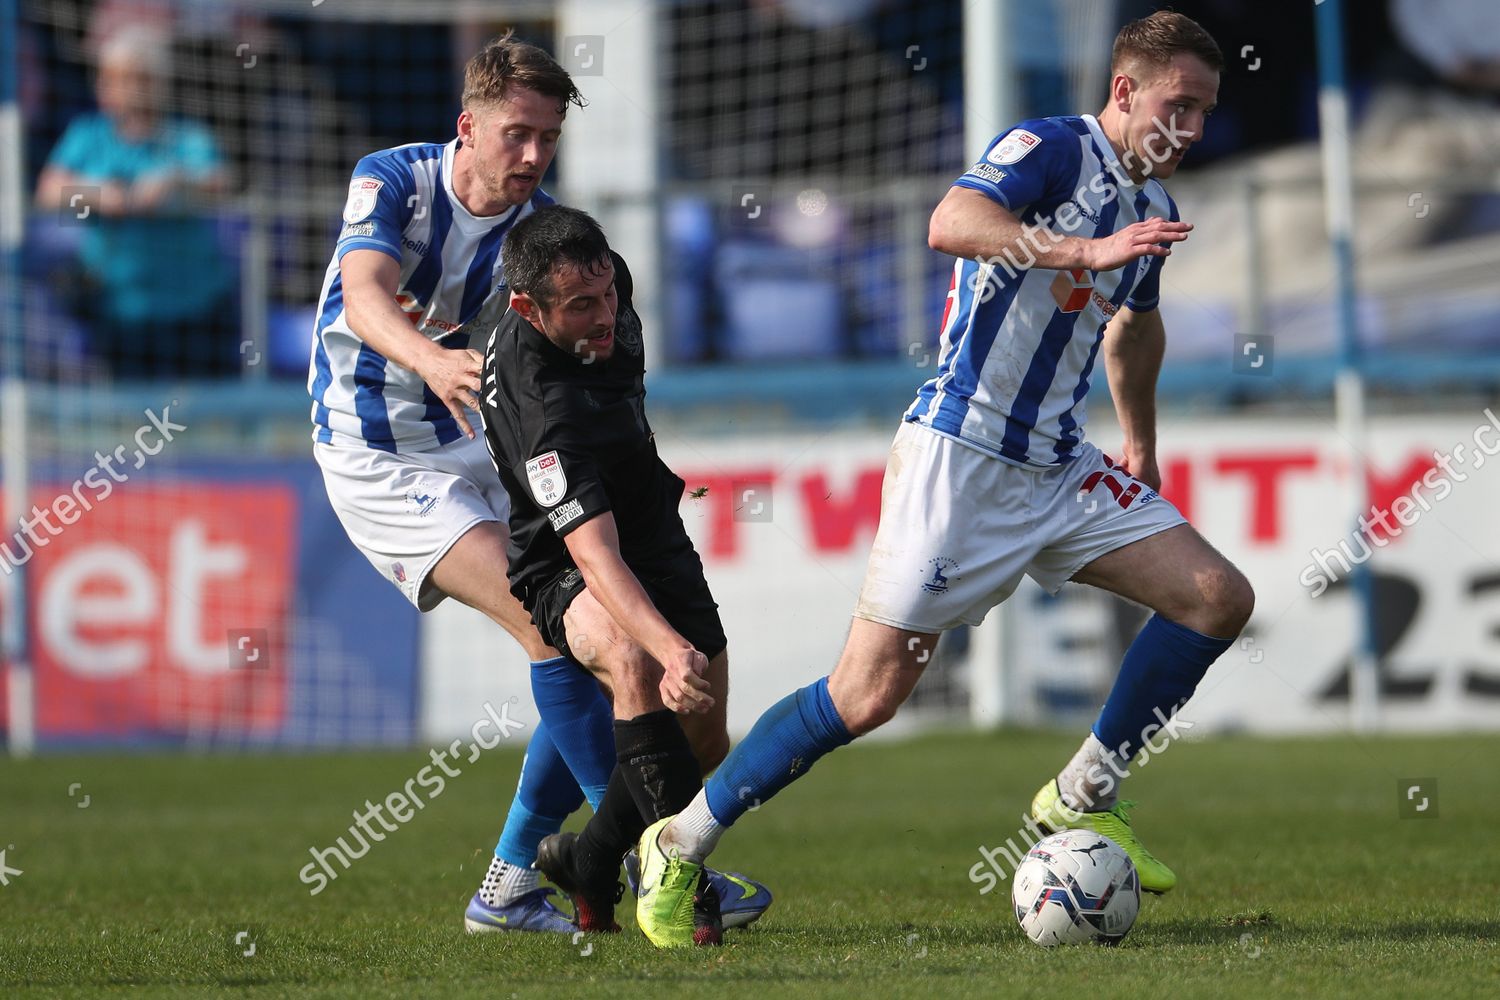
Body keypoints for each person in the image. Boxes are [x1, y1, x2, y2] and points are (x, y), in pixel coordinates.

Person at [634, 10, 1254, 938]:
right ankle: (677, 845)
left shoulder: (1144, 206)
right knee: (865, 697)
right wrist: (1083, 250)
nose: (1193, 130)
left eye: (1206, 111)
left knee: (1216, 595)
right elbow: (952, 221)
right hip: (960, 457)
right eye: (1180, 105)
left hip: (1056, 466)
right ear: (1125, 91)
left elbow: (1136, 324)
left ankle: (1083, 790)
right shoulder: (1050, 147)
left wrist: (1141, 441)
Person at [307, 33, 768, 936]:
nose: (531, 156)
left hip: (480, 447)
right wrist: (429, 359)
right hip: (379, 457)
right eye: (516, 134)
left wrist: (643, 464)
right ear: (466, 125)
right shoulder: (393, 180)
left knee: (600, 643)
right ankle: (647, 865)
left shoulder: (541, 232)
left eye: (547, 138)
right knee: (564, 630)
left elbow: (581, 374)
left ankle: (518, 877)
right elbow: (363, 296)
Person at [479, 206, 745, 947]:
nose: (606, 315)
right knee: (632, 658)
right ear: (528, 309)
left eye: (609, 298)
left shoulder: (602, 279)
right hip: (561, 559)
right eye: (582, 308)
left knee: (704, 737)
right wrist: (668, 646)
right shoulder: (542, 415)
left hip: (653, 528)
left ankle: (589, 859)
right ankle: (683, 895)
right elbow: (595, 557)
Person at [33, 25, 235, 377]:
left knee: (199, 415)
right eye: (114, 78)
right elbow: (49, 192)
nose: (126, 89)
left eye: (139, 79)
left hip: (194, 308)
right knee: (129, 415)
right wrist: (102, 196)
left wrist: (173, 183)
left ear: (159, 84)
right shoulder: (88, 135)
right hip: (117, 309)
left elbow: (220, 184)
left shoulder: (184, 137)